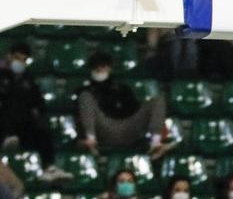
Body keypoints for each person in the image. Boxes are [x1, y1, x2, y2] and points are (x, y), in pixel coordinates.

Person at [77, 51, 168, 155]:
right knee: (85, 97)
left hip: (129, 127)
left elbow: (133, 108)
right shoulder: (86, 90)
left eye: (103, 66)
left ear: (109, 68)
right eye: (96, 67)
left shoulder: (121, 86)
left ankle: (155, 141)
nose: (100, 69)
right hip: (104, 128)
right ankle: (91, 140)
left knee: (158, 98)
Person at [0, 42, 67, 180]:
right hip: (3, 124)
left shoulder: (27, 79)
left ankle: (49, 167)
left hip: (22, 129)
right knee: (10, 104)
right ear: (9, 56)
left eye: (24, 60)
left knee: (42, 130)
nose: (20, 62)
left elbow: (39, 103)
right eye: (17, 58)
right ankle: (6, 137)